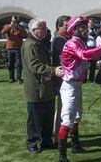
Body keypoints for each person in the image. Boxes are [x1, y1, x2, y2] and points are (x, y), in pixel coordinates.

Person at [57, 17, 101, 162]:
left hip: (77, 84)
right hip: (69, 86)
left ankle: (75, 145)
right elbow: (85, 55)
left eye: (85, 27)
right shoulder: (72, 43)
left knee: (76, 116)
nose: (86, 29)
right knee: (67, 119)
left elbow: (93, 55)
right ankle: (62, 155)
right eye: (81, 27)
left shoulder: (80, 42)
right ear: (74, 30)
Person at [22, 18, 64, 154]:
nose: (46, 31)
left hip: (46, 86)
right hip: (36, 87)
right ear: (33, 30)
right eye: (42, 28)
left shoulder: (40, 42)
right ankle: (32, 142)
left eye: (46, 28)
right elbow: (35, 66)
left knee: (47, 116)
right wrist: (54, 71)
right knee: (35, 118)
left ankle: (46, 140)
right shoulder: (30, 45)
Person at [51, 15, 71, 145]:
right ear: (59, 27)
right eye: (66, 25)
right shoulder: (60, 40)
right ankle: (57, 137)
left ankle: (57, 135)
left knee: (63, 108)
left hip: (62, 76)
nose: (68, 27)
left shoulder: (63, 38)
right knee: (62, 109)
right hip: (61, 77)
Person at [1, 16, 27, 83]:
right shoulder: (8, 26)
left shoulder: (20, 27)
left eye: (15, 21)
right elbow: (3, 32)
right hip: (9, 48)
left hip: (18, 48)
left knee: (19, 64)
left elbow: (24, 35)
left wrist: (19, 27)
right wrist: (10, 25)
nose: (14, 22)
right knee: (10, 64)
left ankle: (18, 78)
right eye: (13, 21)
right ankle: (11, 78)